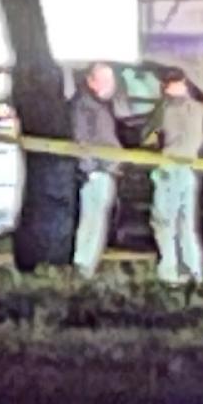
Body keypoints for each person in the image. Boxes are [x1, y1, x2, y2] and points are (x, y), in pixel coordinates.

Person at [147, 68, 203, 285]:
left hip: (168, 169)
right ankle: (194, 273)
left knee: (164, 223)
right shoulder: (198, 109)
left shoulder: (165, 109)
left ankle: (170, 274)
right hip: (189, 169)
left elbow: (148, 135)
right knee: (186, 225)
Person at [71, 62, 125, 277]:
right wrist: (90, 169)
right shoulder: (85, 106)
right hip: (96, 171)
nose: (110, 85)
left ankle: (86, 265)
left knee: (97, 219)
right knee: (92, 219)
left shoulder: (99, 105)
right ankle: (84, 266)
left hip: (104, 169)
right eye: (105, 80)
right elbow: (81, 138)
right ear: (91, 81)